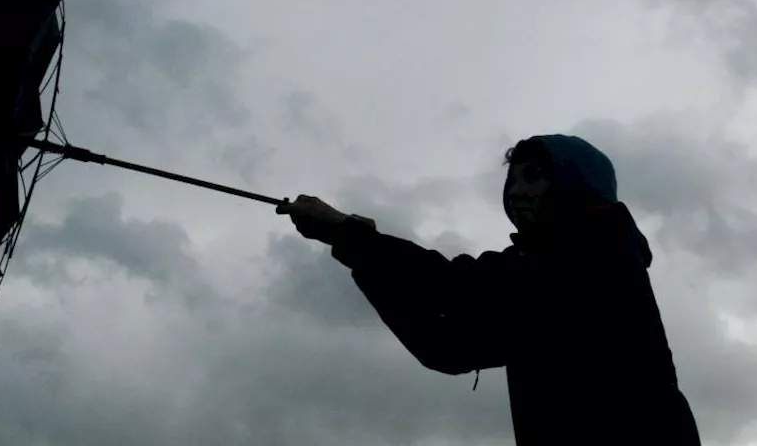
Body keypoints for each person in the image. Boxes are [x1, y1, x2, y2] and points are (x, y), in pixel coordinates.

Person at [277, 134, 701, 445]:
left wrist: (350, 235)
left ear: (579, 182)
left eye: (534, 176)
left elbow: (452, 285)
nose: (517, 191)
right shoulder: (543, 279)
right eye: (512, 180)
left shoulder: (596, 247)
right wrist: (354, 248)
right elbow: (444, 347)